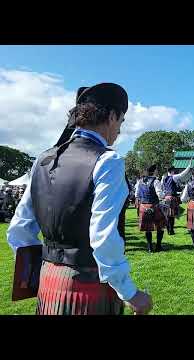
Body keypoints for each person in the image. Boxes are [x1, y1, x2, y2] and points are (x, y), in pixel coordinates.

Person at [6, 83, 152, 315]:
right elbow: (103, 239)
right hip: (88, 284)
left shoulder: (43, 159)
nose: (120, 131)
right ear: (112, 116)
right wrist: (129, 292)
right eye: (121, 122)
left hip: (48, 281)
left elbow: (19, 231)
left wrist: (42, 271)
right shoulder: (108, 162)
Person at [136, 165, 167, 252]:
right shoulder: (156, 181)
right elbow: (159, 194)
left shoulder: (140, 181)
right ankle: (158, 246)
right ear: (154, 171)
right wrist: (164, 196)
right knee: (160, 227)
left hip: (143, 206)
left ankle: (150, 248)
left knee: (147, 228)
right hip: (154, 206)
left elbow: (136, 195)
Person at [159, 162, 192, 235]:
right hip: (172, 198)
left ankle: (169, 230)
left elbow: (161, 188)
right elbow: (182, 174)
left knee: (167, 215)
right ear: (172, 171)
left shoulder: (163, 178)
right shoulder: (173, 177)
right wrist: (188, 167)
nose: (175, 172)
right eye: (174, 171)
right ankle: (171, 230)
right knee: (172, 216)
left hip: (166, 198)